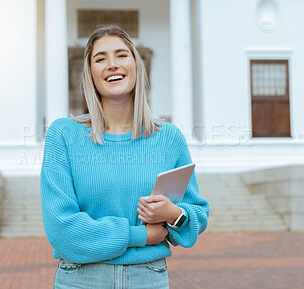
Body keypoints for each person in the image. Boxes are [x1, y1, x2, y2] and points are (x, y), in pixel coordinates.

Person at [40, 24, 210, 289]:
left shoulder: (169, 138)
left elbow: (196, 216)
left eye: (121, 55)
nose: (112, 64)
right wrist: (140, 235)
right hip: (81, 279)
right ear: (90, 74)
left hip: (148, 278)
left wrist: (174, 213)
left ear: (135, 65)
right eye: (100, 58)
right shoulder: (64, 135)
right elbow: (62, 230)